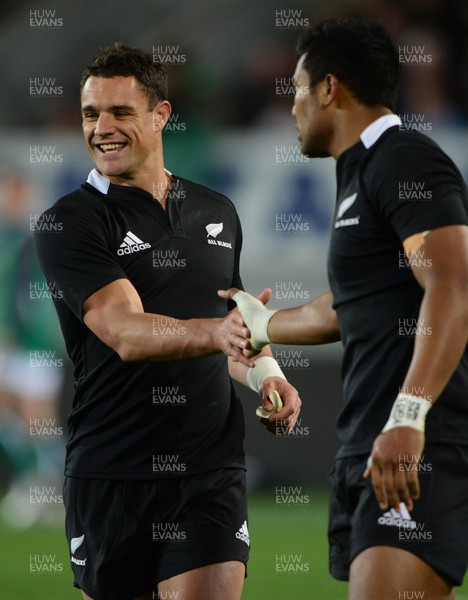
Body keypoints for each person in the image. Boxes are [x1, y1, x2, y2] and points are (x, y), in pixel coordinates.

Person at [34, 43, 301, 600]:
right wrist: (217, 334)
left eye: (120, 113)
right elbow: (125, 332)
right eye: (91, 114)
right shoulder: (70, 222)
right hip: (112, 474)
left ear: (161, 116)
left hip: (209, 471)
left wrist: (266, 375)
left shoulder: (216, 210)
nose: (102, 128)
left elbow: (236, 318)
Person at [220, 17, 468, 600]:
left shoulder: (405, 160)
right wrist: (264, 325)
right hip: (369, 447)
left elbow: (453, 285)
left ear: (330, 88)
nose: (292, 108)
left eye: (299, 89)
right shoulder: (359, 174)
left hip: (413, 445)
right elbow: (349, 305)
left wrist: (408, 418)